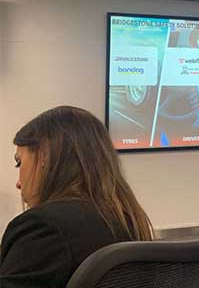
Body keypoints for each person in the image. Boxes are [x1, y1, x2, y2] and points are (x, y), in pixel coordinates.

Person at [0, 106, 152, 288]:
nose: (18, 184)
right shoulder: (130, 220)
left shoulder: (43, 226)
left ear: (44, 156)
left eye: (19, 163)